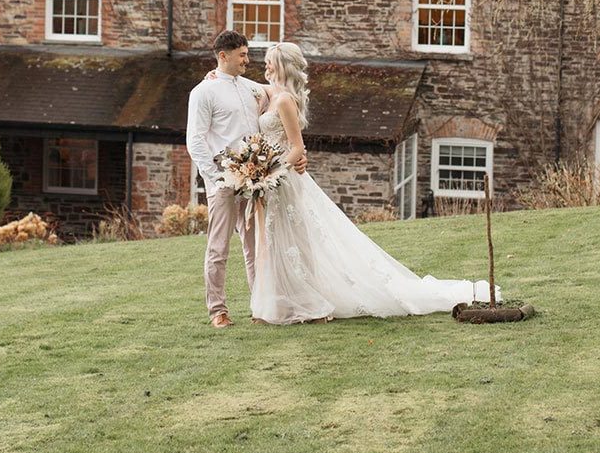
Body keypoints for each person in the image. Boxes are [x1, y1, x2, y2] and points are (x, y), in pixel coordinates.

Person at [248, 42, 495, 325]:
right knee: (275, 241)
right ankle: (279, 304)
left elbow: (297, 147)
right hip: (272, 182)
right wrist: (217, 77)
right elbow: (247, 85)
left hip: (283, 180)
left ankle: (308, 303)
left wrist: (270, 171)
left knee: (295, 241)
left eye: (269, 62)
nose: (265, 66)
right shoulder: (271, 93)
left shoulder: (283, 101)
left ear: (281, 66)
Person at [185, 30, 307, 329]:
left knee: (256, 248)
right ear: (222, 56)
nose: (247, 60)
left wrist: (298, 153)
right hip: (224, 181)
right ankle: (218, 310)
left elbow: (282, 101)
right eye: (241, 55)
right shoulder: (204, 92)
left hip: (256, 181)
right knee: (218, 248)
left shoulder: (253, 88)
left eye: (247, 53)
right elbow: (195, 141)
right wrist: (216, 179)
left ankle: (260, 306)